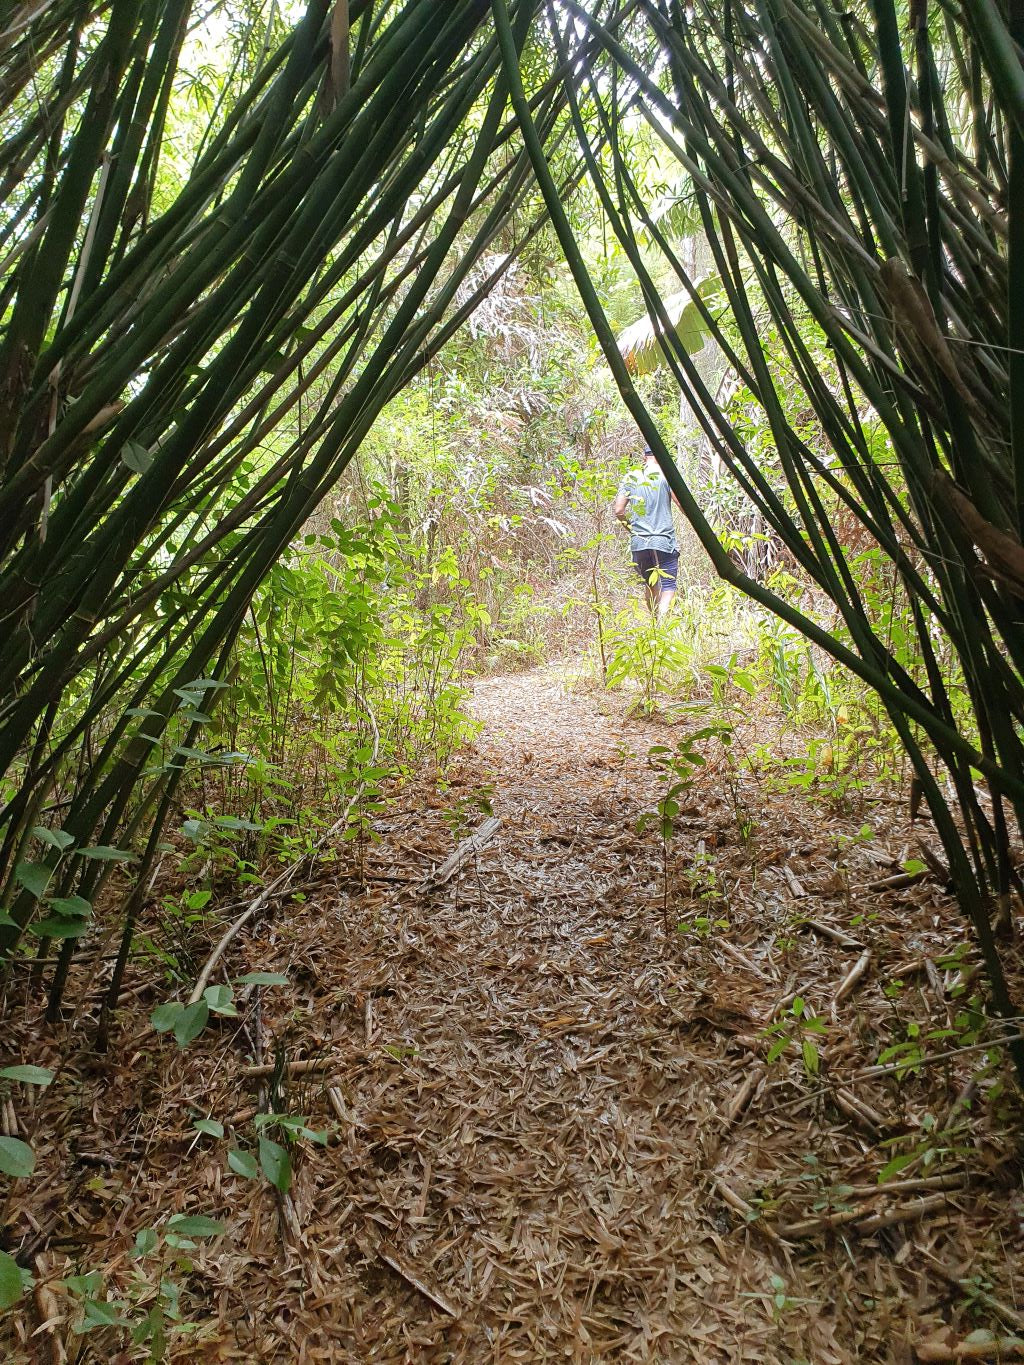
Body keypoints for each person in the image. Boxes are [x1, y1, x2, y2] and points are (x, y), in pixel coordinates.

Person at [613, 444, 680, 619]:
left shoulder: (631, 477)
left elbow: (619, 510)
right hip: (664, 541)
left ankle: (654, 622)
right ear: (660, 456)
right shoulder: (667, 476)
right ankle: (663, 623)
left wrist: (632, 531)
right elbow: (681, 504)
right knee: (668, 585)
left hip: (639, 542)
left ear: (644, 457)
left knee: (651, 584)